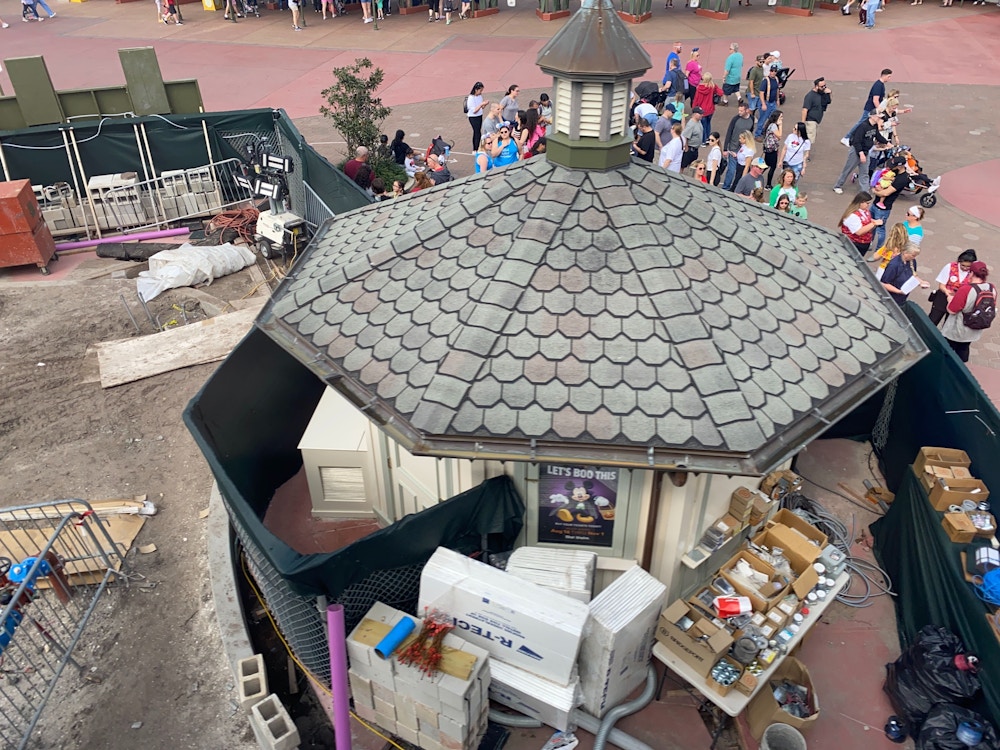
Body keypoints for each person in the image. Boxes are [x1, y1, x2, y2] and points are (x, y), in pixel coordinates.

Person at [941, 262, 993, 362]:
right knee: (964, 349)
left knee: (947, 351)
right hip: (975, 328)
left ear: (972, 273)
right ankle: (962, 369)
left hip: (957, 329)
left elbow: (952, 310)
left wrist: (950, 300)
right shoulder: (991, 288)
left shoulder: (966, 289)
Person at [833, 111, 888, 195]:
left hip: (866, 152)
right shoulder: (863, 126)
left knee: (864, 172)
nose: (880, 119)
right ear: (872, 116)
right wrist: (861, 153)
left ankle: (864, 191)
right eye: (879, 117)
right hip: (856, 151)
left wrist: (887, 142)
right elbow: (856, 141)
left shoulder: (874, 126)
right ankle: (837, 186)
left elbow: (877, 135)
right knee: (847, 170)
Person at [870, 155, 911, 250]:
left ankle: (879, 250)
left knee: (880, 229)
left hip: (884, 207)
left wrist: (875, 191)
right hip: (876, 203)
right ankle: (869, 242)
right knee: (871, 225)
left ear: (900, 166)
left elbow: (886, 193)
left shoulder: (902, 179)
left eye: (895, 165)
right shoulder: (894, 172)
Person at [842, 69, 891, 144]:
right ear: (884, 75)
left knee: (865, 123)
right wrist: (879, 110)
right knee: (861, 123)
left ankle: (853, 138)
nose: (889, 78)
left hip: (871, 109)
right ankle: (847, 137)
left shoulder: (880, 85)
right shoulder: (878, 85)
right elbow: (875, 100)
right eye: (889, 76)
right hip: (870, 109)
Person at [930, 249, 977, 324]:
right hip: (943, 297)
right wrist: (946, 292)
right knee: (933, 320)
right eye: (963, 265)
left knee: (949, 325)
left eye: (968, 266)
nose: (965, 268)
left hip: (958, 301)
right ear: (959, 262)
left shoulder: (973, 272)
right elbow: (941, 285)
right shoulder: (950, 267)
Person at [838, 191, 882, 256]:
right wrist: (874, 223)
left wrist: (873, 222)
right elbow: (859, 232)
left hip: (864, 243)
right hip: (854, 244)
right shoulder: (852, 215)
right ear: (861, 202)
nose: (869, 205)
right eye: (867, 203)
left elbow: (867, 221)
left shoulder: (865, 211)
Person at [722, 102, 754, 191]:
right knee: (731, 170)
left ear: (747, 110)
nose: (739, 112)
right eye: (739, 110)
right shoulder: (735, 119)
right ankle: (726, 187)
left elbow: (750, 133)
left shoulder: (751, 119)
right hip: (733, 147)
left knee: (740, 171)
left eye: (741, 110)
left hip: (743, 149)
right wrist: (725, 148)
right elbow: (729, 132)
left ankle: (736, 188)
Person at [692, 73, 724, 146]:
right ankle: (708, 139)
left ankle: (703, 141)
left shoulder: (699, 88)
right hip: (710, 109)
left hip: (701, 110)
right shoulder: (712, 86)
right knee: (708, 124)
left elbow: (696, 99)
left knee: (703, 126)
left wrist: (694, 108)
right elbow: (721, 92)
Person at [801, 77, 831, 150]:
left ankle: (805, 154)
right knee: (809, 140)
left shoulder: (822, 93)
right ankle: (805, 155)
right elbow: (804, 110)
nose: (824, 88)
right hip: (810, 120)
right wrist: (802, 123)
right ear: (816, 86)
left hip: (816, 120)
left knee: (810, 139)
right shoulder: (810, 96)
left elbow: (828, 101)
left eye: (825, 86)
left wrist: (829, 93)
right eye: (822, 86)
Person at [755, 66, 780, 139]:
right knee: (762, 119)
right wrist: (763, 104)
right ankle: (757, 134)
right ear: (769, 71)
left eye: (775, 71)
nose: (773, 72)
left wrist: (777, 99)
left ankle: (766, 131)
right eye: (772, 71)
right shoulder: (765, 81)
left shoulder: (776, 79)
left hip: (773, 103)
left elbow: (777, 90)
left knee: (773, 118)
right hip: (766, 102)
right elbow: (761, 93)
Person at [760, 109, 782, 188]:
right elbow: (779, 136)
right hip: (771, 149)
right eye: (781, 117)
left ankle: (758, 176)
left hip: (769, 148)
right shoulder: (773, 126)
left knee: (766, 165)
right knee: (771, 166)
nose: (782, 119)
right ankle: (768, 184)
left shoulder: (770, 125)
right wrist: (780, 125)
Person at [465, 82, 488, 153]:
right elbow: (474, 110)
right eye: (480, 90)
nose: (481, 92)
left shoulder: (479, 96)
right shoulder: (471, 98)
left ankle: (478, 147)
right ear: (476, 90)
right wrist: (481, 104)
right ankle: (475, 148)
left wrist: (484, 104)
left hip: (479, 115)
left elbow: (481, 107)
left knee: (478, 131)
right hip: (473, 117)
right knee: (476, 131)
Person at [746, 55, 765, 126]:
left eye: (763, 61)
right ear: (756, 61)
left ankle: (751, 117)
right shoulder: (754, 70)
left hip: (758, 92)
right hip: (754, 92)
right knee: (752, 107)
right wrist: (752, 93)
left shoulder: (762, 68)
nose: (762, 63)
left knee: (756, 107)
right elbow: (751, 81)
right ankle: (749, 119)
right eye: (760, 61)